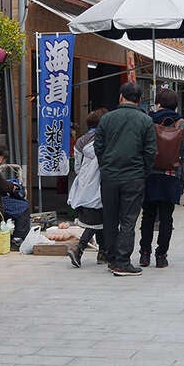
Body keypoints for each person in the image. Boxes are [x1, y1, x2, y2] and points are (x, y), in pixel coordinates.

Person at [94, 82, 156, 276]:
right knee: (128, 220)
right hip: (134, 176)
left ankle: (111, 257)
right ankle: (122, 261)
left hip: (110, 176)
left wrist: (105, 165)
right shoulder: (145, 121)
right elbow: (150, 151)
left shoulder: (107, 119)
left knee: (110, 218)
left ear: (121, 97)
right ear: (139, 100)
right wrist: (143, 171)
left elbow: (98, 146)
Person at [139, 89, 184, 269]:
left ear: (158, 103)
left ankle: (145, 254)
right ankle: (161, 255)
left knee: (148, 215)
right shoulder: (182, 124)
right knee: (166, 217)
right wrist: (183, 179)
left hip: (149, 175)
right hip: (171, 175)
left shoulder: (148, 120)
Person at [67, 108, 109, 268]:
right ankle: (79, 249)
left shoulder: (80, 141)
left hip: (84, 183)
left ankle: (103, 253)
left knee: (98, 220)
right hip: (100, 183)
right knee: (97, 220)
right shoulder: (106, 139)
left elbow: (77, 167)